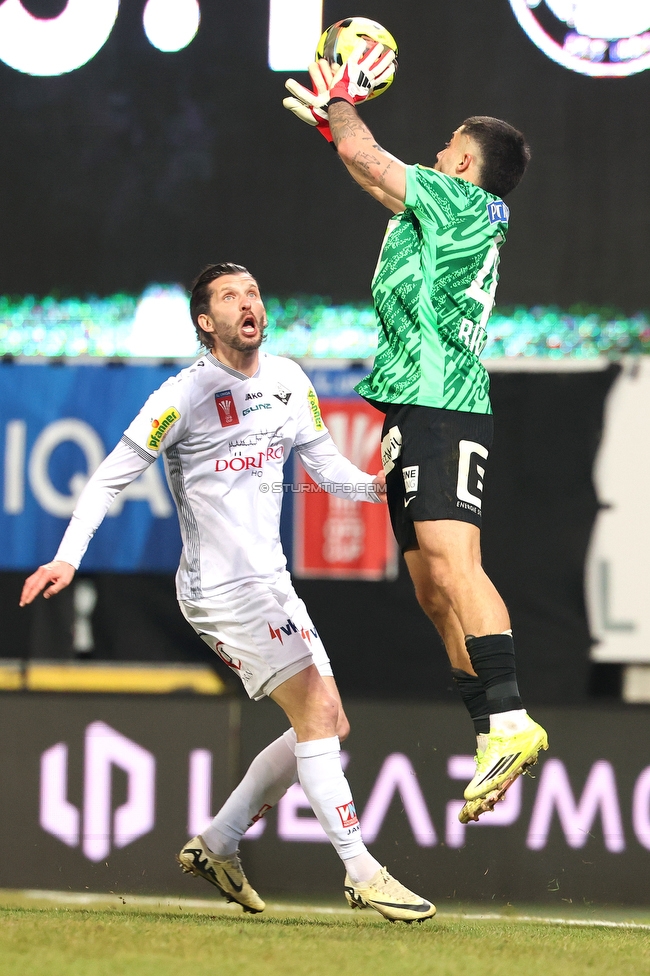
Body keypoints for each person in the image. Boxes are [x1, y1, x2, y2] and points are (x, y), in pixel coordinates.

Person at [19, 262, 436, 923]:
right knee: (316, 714)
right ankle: (363, 872)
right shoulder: (183, 395)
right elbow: (108, 478)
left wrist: (374, 485)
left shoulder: (290, 380)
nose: (249, 303)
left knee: (329, 722)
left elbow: (327, 471)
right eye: (231, 296)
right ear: (205, 322)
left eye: (254, 292)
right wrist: (68, 557)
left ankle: (218, 842)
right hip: (220, 589)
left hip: (272, 583)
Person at [283, 45, 548, 824]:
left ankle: (512, 719)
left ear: (463, 162)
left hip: (442, 403)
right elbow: (371, 173)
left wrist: (344, 101)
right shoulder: (445, 210)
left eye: (445, 146)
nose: (435, 153)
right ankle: (491, 732)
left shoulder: (461, 201)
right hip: (412, 407)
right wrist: (336, 131)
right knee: (432, 589)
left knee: (455, 564)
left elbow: (370, 156)